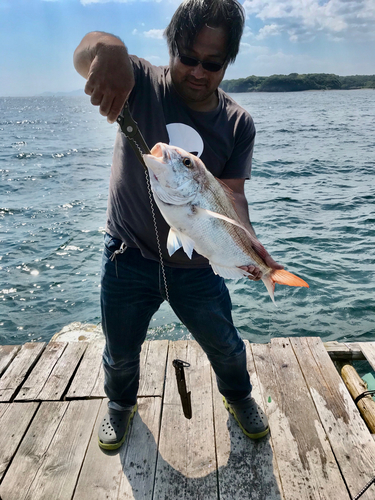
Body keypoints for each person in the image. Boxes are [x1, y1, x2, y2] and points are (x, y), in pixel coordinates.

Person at [74, 0, 282, 450]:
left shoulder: (237, 122)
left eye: (213, 63)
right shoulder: (142, 83)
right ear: (172, 50)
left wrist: (249, 244)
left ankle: (239, 396)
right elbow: (86, 51)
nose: (198, 72)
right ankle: (120, 403)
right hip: (128, 256)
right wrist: (106, 49)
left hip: (198, 266)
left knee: (226, 346)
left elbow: (232, 195)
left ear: (228, 62)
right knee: (121, 352)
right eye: (187, 57)